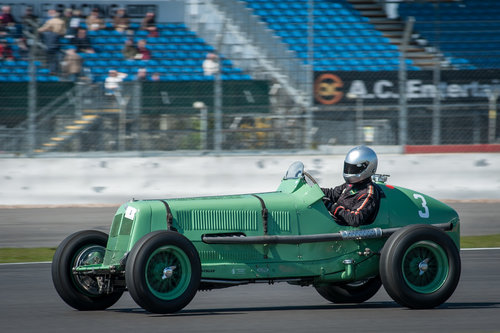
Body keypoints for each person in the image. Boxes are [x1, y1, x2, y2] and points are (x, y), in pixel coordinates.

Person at [321, 145, 380, 227]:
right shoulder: (351, 184)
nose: (349, 170)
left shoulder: (368, 193)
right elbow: (333, 193)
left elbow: (355, 219)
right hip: (333, 222)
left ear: (367, 167)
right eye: (348, 167)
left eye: (353, 168)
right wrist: (313, 190)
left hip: (344, 232)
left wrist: (331, 206)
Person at [38, 9, 66, 74]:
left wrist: (38, 31)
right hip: (55, 48)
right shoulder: (60, 25)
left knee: (51, 60)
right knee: (55, 60)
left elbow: (41, 31)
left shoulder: (47, 29)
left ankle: (51, 70)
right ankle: (54, 70)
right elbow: (63, 33)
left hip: (48, 48)